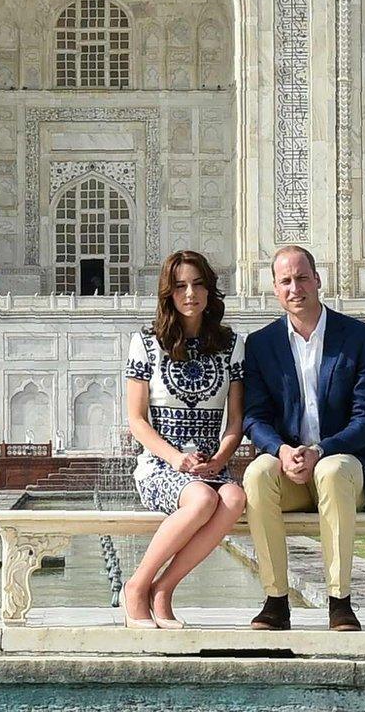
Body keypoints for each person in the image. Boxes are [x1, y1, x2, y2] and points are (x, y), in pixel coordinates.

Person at [242, 244, 365, 631]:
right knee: (257, 474)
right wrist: (282, 450)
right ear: (274, 288)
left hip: (343, 468)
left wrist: (320, 450)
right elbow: (254, 418)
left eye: (302, 277)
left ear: (318, 280)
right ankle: (275, 600)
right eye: (285, 280)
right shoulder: (261, 344)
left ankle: (340, 601)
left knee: (333, 471)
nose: (295, 288)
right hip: (290, 469)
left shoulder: (358, 338)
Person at [121, 250, 247, 630]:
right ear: (168, 294)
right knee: (203, 497)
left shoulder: (230, 345)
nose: (190, 293)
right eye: (180, 286)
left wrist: (221, 457)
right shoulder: (146, 343)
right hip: (161, 465)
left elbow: (236, 421)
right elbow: (137, 421)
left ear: (209, 291)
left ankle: (164, 590)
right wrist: (177, 459)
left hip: (210, 465)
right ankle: (137, 586)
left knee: (235, 497)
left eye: (197, 284)